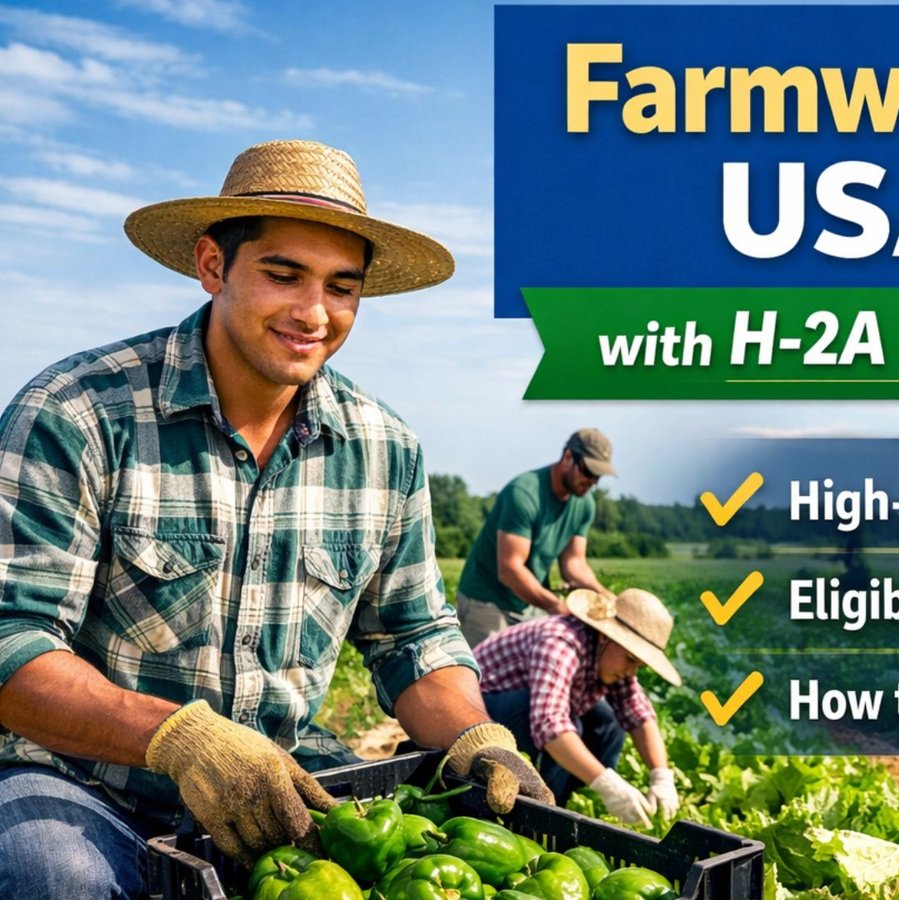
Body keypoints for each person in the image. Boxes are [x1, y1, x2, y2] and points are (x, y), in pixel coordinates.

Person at [0, 140, 553, 897]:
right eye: (283, 274)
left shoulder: (384, 449)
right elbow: (12, 641)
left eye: (341, 287)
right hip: (85, 786)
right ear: (212, 265)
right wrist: (178, 739)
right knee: (50, 873)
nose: (314, 312)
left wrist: (475, 736)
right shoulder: (79, 412)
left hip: (281, 787)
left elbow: (412, 635)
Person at [475, 588, 681, 823]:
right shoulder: (561, 642)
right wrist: (608, 784)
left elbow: (638, 713)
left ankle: (577, 801)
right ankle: (544, 810)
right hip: (480, 713)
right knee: (568, 726)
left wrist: (661, 776)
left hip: (526, 709)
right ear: (606, 636)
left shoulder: (609, 655)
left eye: (639, 665)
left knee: (609, 721)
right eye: (631, 659)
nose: (631, 672)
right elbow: (549, 724)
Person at [455, 429, 616, 647]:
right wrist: (555, 606)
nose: (593, 482)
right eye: (589, 471)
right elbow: (510, 569)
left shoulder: (585, 504)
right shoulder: (524, 494)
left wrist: (604, 595)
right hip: (486, 601)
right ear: (568, 456)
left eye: (598, 476)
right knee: (485, 676)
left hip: (529, 603)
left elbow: (574, 563)